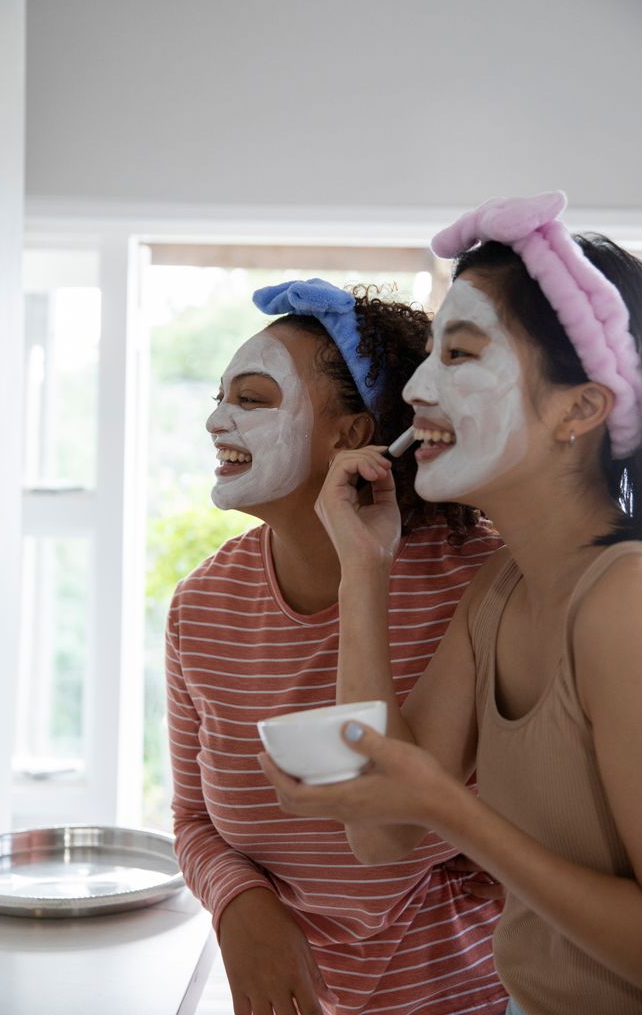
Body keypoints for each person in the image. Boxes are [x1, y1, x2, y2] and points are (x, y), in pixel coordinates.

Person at [260, 193, 642, 1015]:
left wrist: (449, 808)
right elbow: (380, 835)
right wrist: (364, 568)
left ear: (580, 409)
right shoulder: (502, 589)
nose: (415, 387)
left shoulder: (632, 605)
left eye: (459, 354)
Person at [165, 278, 510, 1015]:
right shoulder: (201, 607)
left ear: (354, 436)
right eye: (221, 397)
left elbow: (395, 834)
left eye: (252, 399)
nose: (216, 420)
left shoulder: (482, 578)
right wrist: (238, 906)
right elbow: (193, 821)